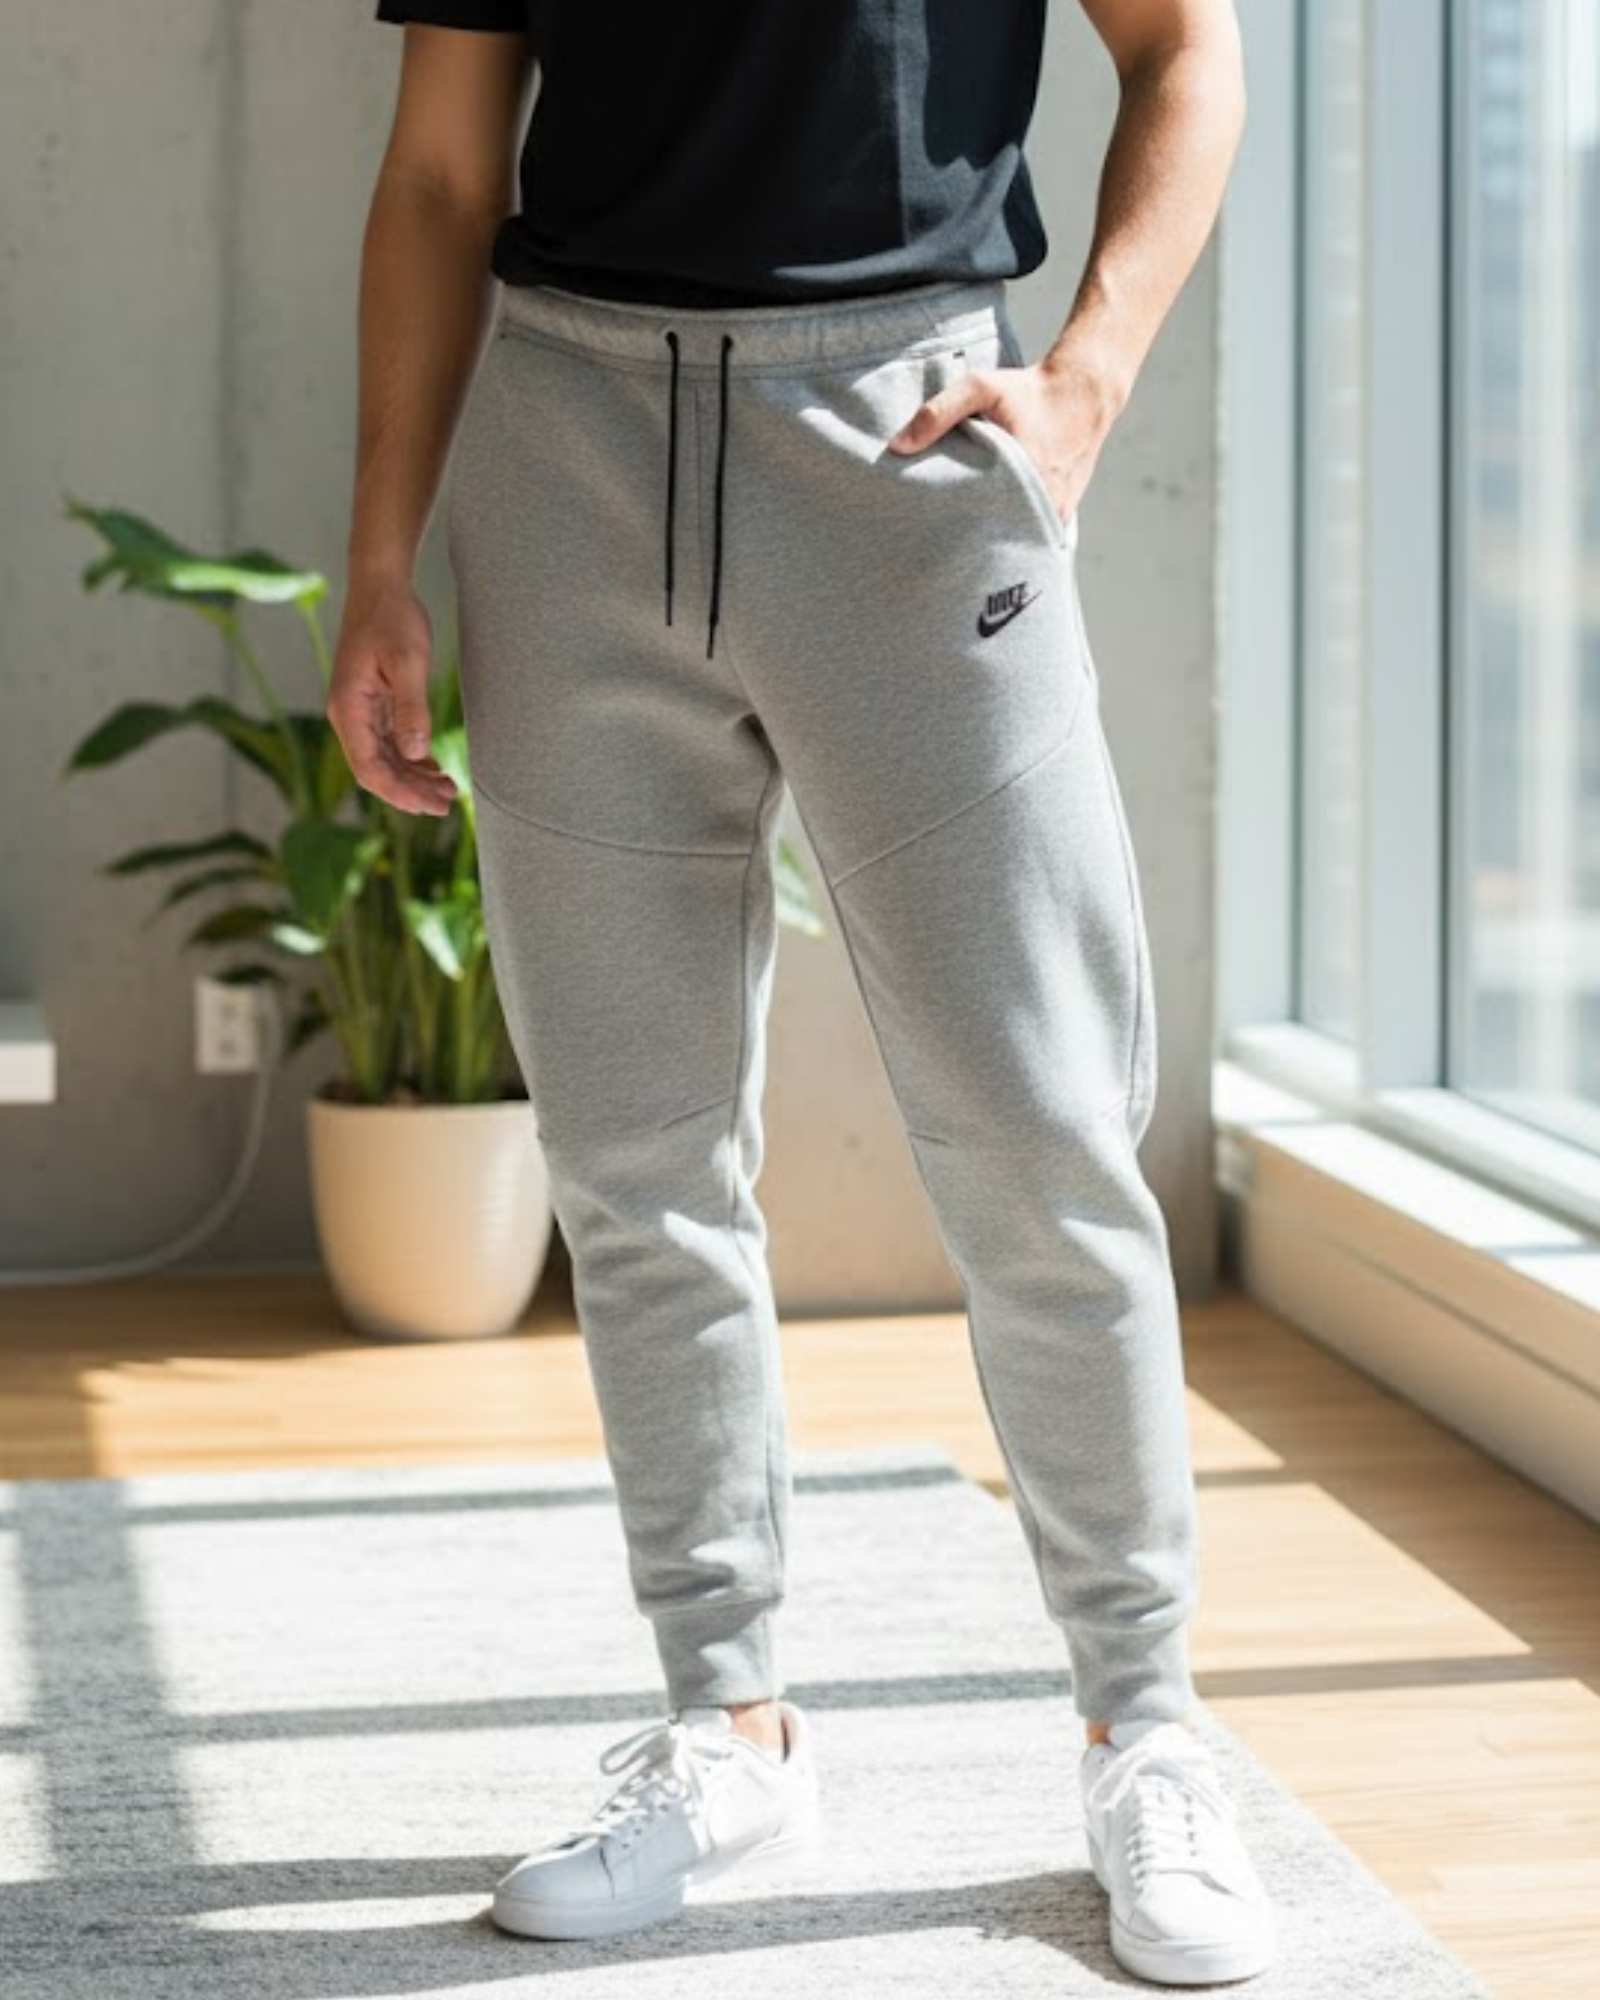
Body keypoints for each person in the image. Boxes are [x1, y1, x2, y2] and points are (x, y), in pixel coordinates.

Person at [334, 0, 1272, 1984]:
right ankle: (727, 1721)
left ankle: (1146, 1726)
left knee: (1040, 1132)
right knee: (633, 1157)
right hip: (568, 467)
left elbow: (1187, 47)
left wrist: (1086, 379)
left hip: (908, 448)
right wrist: (380, 557)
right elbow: (437, 173)